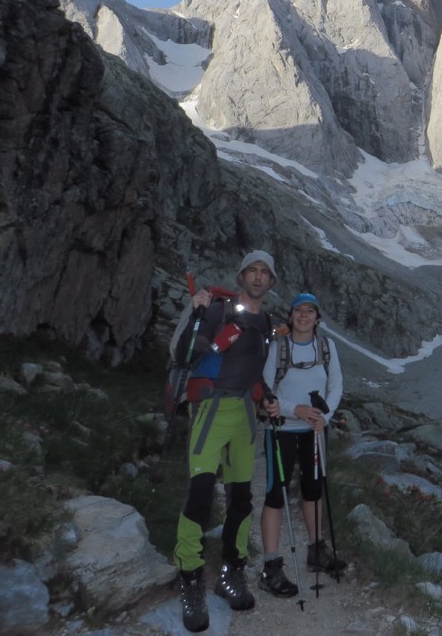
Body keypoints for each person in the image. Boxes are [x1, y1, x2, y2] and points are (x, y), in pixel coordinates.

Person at [173, 250, 281, 633]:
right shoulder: (219, 310)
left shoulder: (266, 321)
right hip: (212, 411)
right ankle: (189, 579)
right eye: (252, 270)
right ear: (241, 275)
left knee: (240, 498)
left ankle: (230, 573)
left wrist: (266, 395)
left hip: (245, 416)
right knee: (200, 494)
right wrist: (196, 313)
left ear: (271, 282)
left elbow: (254, 369)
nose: (257, 277)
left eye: (264, 272)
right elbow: (185, 352)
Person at [257, 291, 346, 597]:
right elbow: (266, 389)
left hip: (315, 430)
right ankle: (271, 564)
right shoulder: (278, 347)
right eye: (298, 311)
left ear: (317, 318)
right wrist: (293, 409)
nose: (304, 316)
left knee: (313, 489)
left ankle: (316, 550)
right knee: (274, 493)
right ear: (291, 316)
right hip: (281, 428)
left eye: (310, 312)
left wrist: (326, 416)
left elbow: (335, 385)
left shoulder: (327, 346)